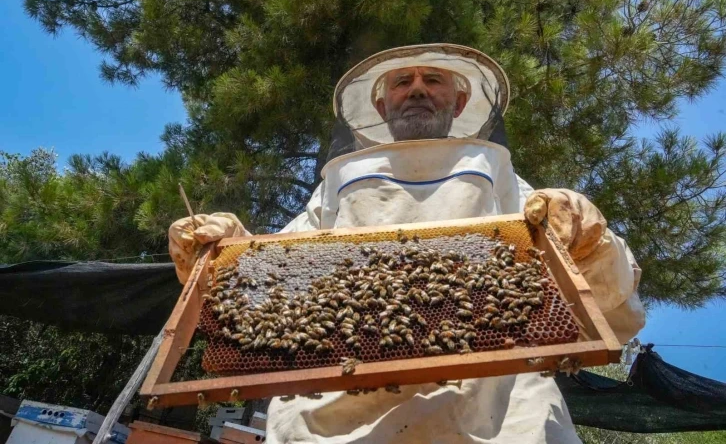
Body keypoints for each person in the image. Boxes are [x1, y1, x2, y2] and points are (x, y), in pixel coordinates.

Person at [169, 44, 645, 443]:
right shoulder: (338, 182)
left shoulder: (500, 175)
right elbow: (275, 275)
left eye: (433, 79)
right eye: (402, 82)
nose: (417, 88)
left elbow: (601, 300)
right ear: (382, 106)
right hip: (333, 418)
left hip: (496, 414)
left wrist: (587, 240)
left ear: (459, 103)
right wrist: (227, 257)